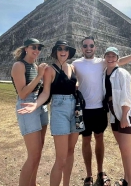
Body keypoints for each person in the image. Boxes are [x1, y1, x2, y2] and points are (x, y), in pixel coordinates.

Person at [72, 36, 131, 186]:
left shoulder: (102, 63)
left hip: (101, 109)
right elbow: (66, 72)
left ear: (95, 48)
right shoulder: (76, 63)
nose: (88, 48)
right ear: (82, 48)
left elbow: (119, 62)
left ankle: (101, 172)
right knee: (86, 140)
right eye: (85, 46)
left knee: (101, 139)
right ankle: (89, 175)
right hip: (84, 110)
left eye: (91, 45)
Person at [17, 40, 83, 186]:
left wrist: (76, 85)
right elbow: (46, 92)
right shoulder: (50, 70)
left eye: (66, 49)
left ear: (69, 52)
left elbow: (76, 84)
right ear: (56, 52)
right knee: (61, 159)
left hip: (75, 109)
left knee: (71, 151)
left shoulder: (72, 67)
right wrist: (35, 104)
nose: (63, 51)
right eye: (60, 49)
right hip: (60, 110)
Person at [11, 38, 48, 186]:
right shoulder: (19, 65)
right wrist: (39, 75)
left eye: (39, 48)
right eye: (34, 47)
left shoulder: (35, 65)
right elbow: (23, 93)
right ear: (26, 48)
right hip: (27, 104)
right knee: (33, 155)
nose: (37, 50)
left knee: (38, 153)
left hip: (40, 105)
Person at [103, 47, 131, 186]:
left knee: (126, 149)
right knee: (122, 149)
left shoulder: (122, 73)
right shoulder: (104, 72)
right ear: (104, 57)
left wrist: (124, 116)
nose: (110, 58)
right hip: (114, 114)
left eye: (113, 56)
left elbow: (126, 96)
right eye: (108, 56)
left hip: (128, 114)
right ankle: (126, 179)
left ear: (118, 59)